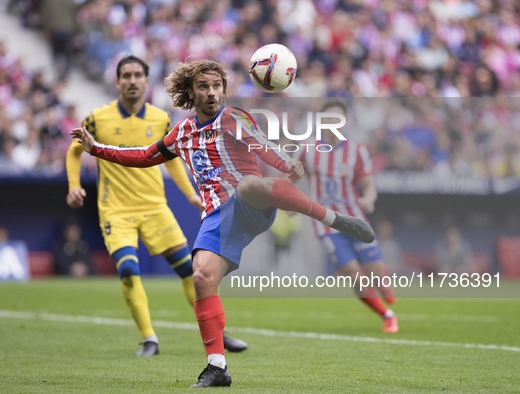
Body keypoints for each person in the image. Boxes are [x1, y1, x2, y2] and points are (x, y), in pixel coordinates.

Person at [71, 59, 375, 387]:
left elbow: (263, 146)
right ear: (191, 92)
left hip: (249, 204)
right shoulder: (182, 132)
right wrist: (96, 149)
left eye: (217, 86)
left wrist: (287, 164)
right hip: (217, 216)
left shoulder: (233, 118)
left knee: (248, 184)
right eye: (204, 86)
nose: (212, 92)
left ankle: (334, 218)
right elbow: (145, 156)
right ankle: (217, 367)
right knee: (201, 275)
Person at [65, 55, 248, 357]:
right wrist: (73, 185)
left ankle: (218, 333)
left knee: (192, 272)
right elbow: (75, 151)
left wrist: (190, 193)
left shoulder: (160, 119)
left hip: (155, 208)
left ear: (146, 81)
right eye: (127, 75)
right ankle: (149, 338)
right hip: (116, 210)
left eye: (138, 75)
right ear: (118, 81)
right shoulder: (98, 118)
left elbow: (174, 160)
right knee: (128, 270)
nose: (133, 80)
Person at [299, 99, 398, 334]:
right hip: (326, 224)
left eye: (338, 118)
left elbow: (369, 185)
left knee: (375, 273)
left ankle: (383, 284)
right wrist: (290, 202)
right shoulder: (308, 150)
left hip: (355, 219)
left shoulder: (357, 151)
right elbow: (291, 179)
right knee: (354, 273)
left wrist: (369, 200)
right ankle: (387, 315)